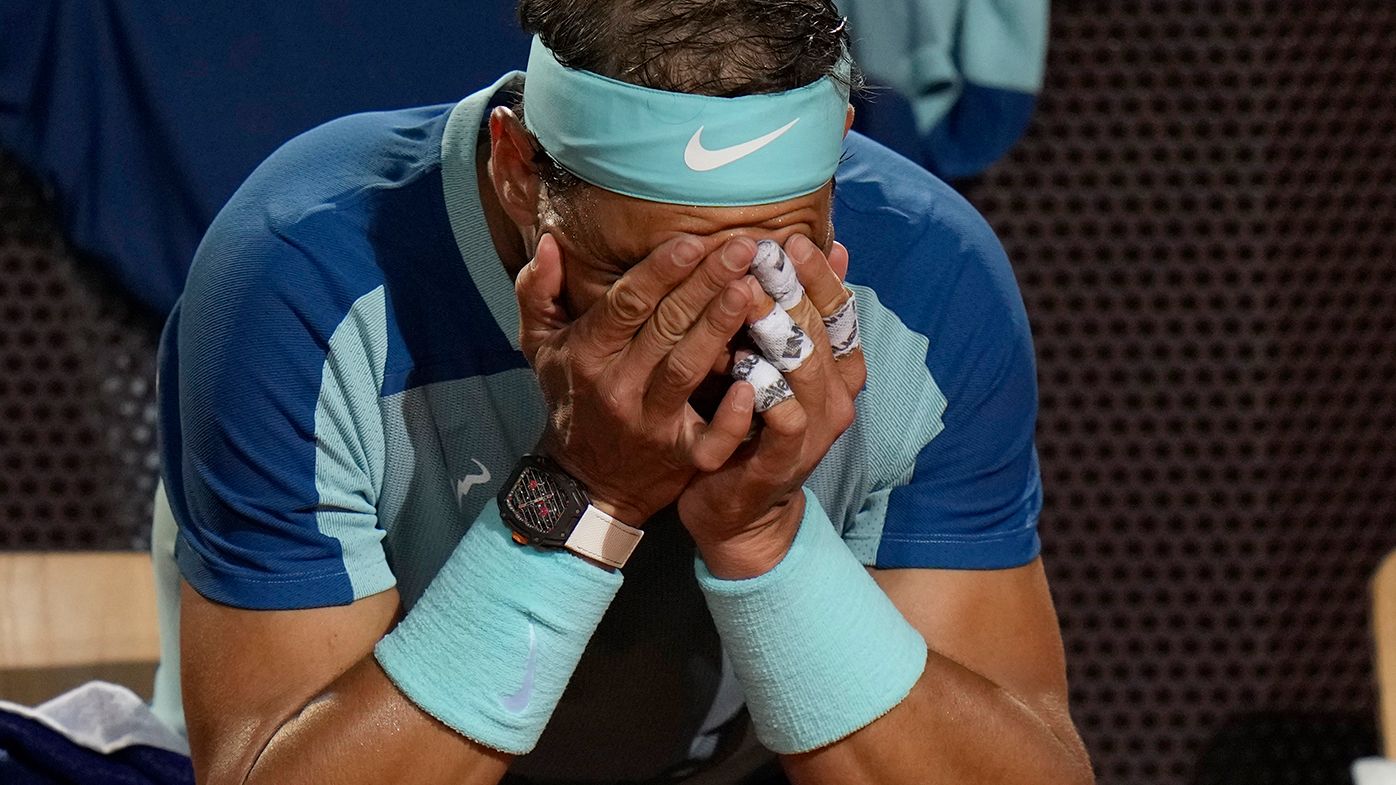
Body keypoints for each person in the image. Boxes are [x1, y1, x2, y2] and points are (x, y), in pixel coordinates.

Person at [148, 1, 1094, 783]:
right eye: (646, 281)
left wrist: (766, 538)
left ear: (839, 154)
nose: (720, 338)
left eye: (776, 259)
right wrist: (585, 490)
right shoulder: (300, 274)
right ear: (519, 171)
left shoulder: (932, 284)